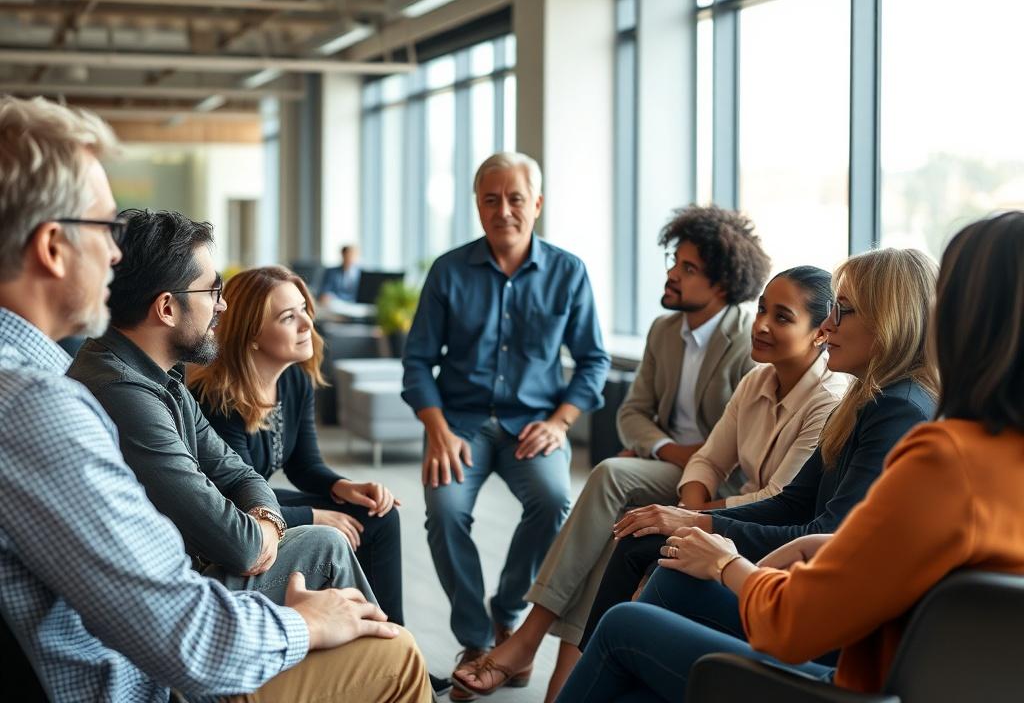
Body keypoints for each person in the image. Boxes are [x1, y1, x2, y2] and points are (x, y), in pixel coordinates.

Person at [0, 95, 430, 702]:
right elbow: (188, 636)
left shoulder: (124, 380)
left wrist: (268, 524)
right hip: (145, 681)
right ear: (51, 246)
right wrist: (306, 623)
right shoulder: (39, 406)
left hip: (156, 639)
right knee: (399, 658)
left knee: (335, 558)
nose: (116, 254)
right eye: (104, 228)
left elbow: (236, 476)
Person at [558, 211, 1024, 701]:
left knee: (624, 628)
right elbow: (836, 529)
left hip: (842, 677)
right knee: (660, 602)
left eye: (841, 311)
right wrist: (711, 527)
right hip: (882, 662)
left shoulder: (924, 437)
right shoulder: (908, 416)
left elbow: (795, 623)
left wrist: (728, 566)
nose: (827, 325)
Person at [454, 265, 848, 699]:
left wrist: (687, 518)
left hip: (766, 534)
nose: (762, 325)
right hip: (714, 501)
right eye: (761, 310)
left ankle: (569, 672)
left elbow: (778, 501)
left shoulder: (828, 401)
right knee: (622, 507)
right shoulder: (755, 377)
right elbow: (707, 458)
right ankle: (554, 660)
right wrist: (685, 509)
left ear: (820, 332)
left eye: (782, 317)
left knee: (633, 535)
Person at [574, 247, 939, 654]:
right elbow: (793, 502)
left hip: (826, 613)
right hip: (801, 569)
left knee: (663, 578)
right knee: (641, 539)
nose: (830, 325)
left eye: (843, 311)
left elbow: (825, 535)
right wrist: (691, 518)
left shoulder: (896, 408)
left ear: (889, 319)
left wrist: (710, 538)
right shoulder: (866, 398)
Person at [68, 209, 375, 607]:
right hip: (163, 600)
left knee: (342, 534)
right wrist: (265, 529)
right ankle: (386, 665)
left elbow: (241, 475)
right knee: (325, 545)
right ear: (166, 308)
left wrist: (266, 520)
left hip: (186, 569)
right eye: (212, 292)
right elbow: (240, 546)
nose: (222, 307)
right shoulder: (123, 393)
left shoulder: (163, 379)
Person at [401, 151, 611, 692]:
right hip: (461, 424)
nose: (504, 210)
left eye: (515, 198)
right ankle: (476, 636)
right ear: (477, 205)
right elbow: (418, 361)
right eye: (491, 199)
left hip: (535, 423)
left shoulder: (568, 271)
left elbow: (593, 360)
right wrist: (437, 430)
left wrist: (562, 422)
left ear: (536, 204)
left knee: (553, 501)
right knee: (444, 510)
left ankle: (508, 612)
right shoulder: (449, 271)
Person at [190, 265, 404, 624]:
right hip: (232, 523)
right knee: (339, 522)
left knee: (377, 513)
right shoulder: (215, 397)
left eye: (305, 309)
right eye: (289, 317)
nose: (307, 324)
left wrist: (345, 487)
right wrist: (316, 517)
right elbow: (230, 505)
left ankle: (395, 638)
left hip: (261, 503)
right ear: (252, 333)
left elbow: (304, 466)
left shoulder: (295, 382)